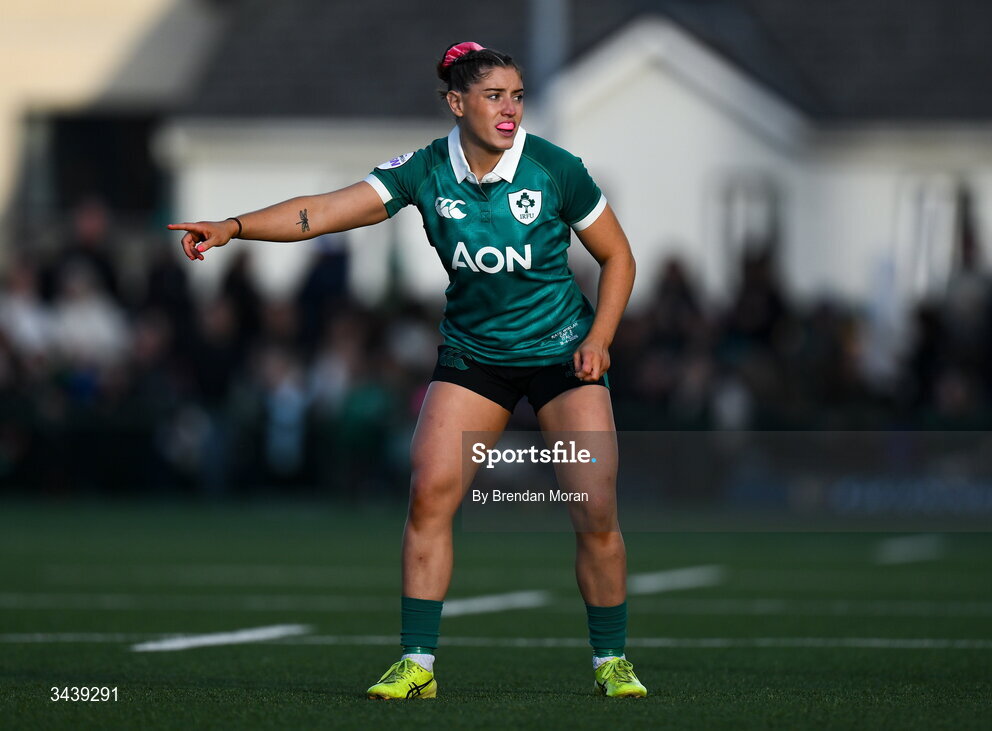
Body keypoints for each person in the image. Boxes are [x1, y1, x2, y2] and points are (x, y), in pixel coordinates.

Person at [168, 41, 645, 700]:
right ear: (456, 104)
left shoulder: (556, 168)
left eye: (516, 95)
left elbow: (619, 258)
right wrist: (233, 226)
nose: (510, 109)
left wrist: (600, 337)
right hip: (474, 356)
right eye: (493, 96)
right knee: (429, 493)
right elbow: (323, 212)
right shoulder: (423, 170)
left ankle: (611, 661)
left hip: (564, 355)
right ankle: (417, 665)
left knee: (594, 507)